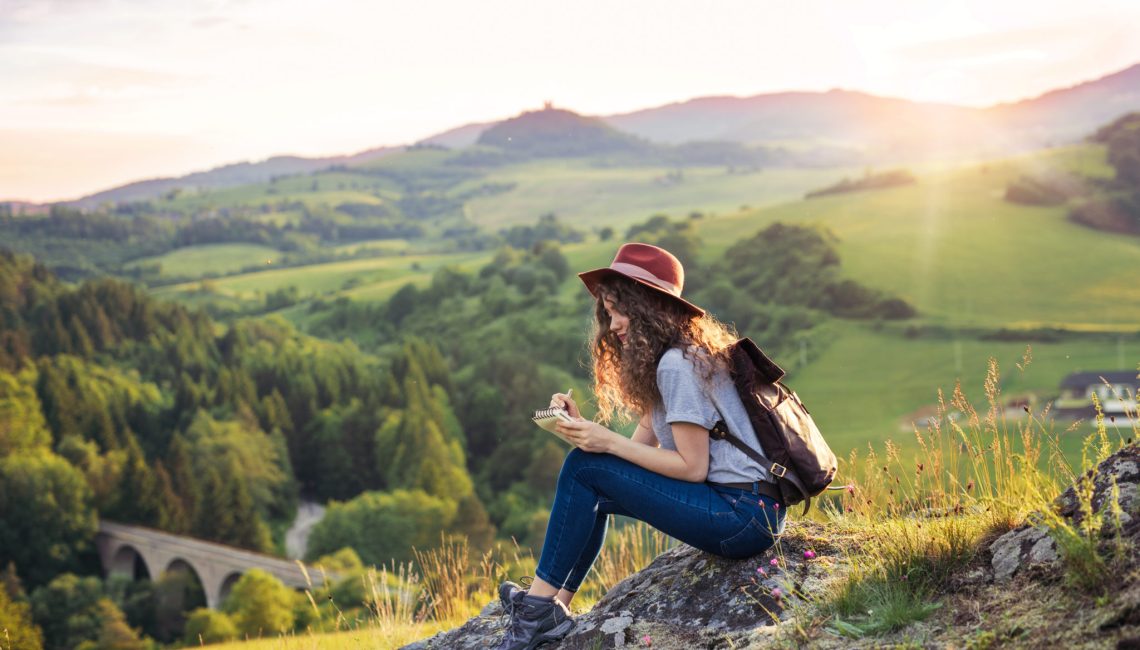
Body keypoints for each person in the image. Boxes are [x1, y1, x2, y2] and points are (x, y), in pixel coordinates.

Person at [496, 243, 785, 650]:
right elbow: (628, 463)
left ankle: (537, 611)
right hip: (742, 508)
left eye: (620, 311)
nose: (612, 325)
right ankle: (553, 604)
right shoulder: (670, 359)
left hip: (742, 516)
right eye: (608, 313)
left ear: (649, 307)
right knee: (590, 477)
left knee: (584, 469)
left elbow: (692, 468)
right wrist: (583, 431)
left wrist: (606, 444)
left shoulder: (677, 366)